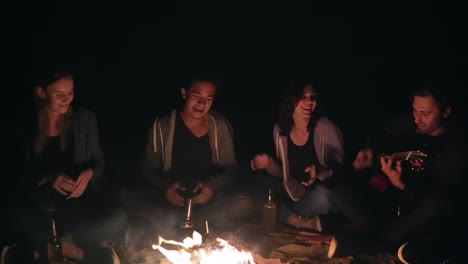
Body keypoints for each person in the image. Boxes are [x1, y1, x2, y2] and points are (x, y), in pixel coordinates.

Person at [327, 81, 466, 263]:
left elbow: (440, 197)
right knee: (341, 195)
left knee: (439, 205)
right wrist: (370, 152)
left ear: (446, 112)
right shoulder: (408, 124)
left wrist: (401, 185)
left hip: (420, 215)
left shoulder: (456, 148)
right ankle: (400, 242)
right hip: (391, 211)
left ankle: (371, 243)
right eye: (415, 111)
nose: (417, 119)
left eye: (425, 114)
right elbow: (378, 134)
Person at [8, 64, 127, 264]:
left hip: (76, 208)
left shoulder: (84, 119)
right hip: (40, 207)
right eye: (59, 94)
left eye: (70, 92)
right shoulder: (26, 124)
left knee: (118, 218)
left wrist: (88, 174)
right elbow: (17, 175)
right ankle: (80, 253)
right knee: (13, 216)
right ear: (41, 92)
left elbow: (99, 161)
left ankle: (40, 250)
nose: (67, 99)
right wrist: (48, 176)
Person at [119, 69, 253, 244]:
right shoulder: (163, 126)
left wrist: (211, 186)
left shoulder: (219, 126)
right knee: (125, 195)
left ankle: (180, 226)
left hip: (206, 200)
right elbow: (148, 168)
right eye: (196, 96)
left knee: (243, 202)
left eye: (208, 99)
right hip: (172, 198)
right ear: (184, 93)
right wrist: (166, 186)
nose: (201, 103)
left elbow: (231, 170)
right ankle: (190, 225)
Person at [250, 79, 345, 232]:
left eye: (312, 97)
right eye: (303, 97)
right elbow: (283, 173)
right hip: (291, 191)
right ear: (291, 100)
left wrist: (319, 173)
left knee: (325, 196)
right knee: (256, 185)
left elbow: (341, 170)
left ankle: (288, 216)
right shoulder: (280, 131)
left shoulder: (325, 127)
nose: (309, 102)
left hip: (315, 194)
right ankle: (297, 220)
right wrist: (268, 163)